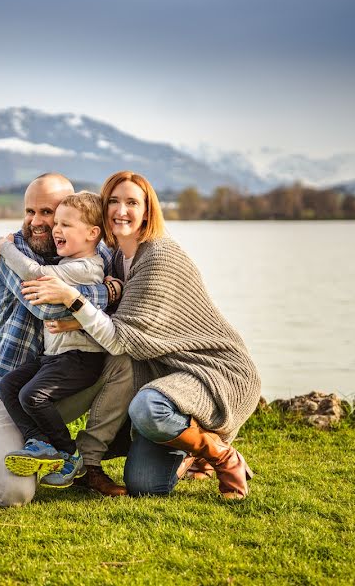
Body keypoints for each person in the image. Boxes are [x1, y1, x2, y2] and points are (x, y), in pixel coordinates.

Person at [21, 170, 262, 499]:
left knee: (148, 409)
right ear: (103, 210)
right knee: (146, 487)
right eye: (114, 202)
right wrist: (76, 319)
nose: (122, 211)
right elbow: (129, 322)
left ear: (148, 210)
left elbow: (121, 337)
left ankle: (221, 455)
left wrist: (69, 298)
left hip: (210, 371)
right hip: (161, 375)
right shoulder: (118, 256)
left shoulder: (159, 256)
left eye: (132, 202)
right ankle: (188, 450)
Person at [0, 173, 135, 507]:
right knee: (15, 494)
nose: (37, 222)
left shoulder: (95, 250)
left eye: (48, 213)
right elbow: (48, 308)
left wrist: (109, 290)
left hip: (59, 374)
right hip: (4, 388)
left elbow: (116, 296)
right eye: (30, 211)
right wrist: (108, 291)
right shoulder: (14, 251)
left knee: (125, 361)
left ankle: (85, 463)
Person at [0, 192, 107, 488]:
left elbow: (37, 273)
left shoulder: (86, 267)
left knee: (32, 395)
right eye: (56, 222)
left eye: (65, 225)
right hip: (56, 357)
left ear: (92, 234)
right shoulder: (69, 260)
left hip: (81, 358)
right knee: (9, 385)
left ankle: (70, 454)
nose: (56, 229)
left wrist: (5, 247)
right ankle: (39, 442)